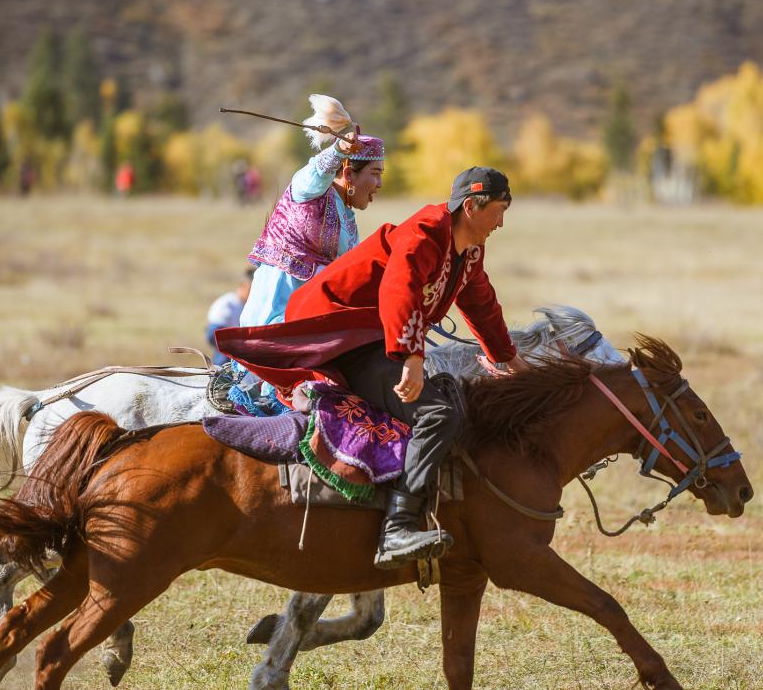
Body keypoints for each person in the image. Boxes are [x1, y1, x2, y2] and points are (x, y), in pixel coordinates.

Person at [218, 167, 529, 569]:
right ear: (471, 206)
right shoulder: (426, 232)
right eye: (499, 210)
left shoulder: (468, 249)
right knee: (437, 414)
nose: (502, 222)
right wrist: (412, 356)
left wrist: (510, 360)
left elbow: (480, 301)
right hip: (342, 333)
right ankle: (397, 528)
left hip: (372, 337)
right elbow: (400, 288)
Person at [235, 95, 386, 412]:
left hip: (307, 324)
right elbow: (313, 173)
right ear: (348, 173)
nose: (379, 183)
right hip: (276, 320)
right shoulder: (309, 190)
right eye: (374, 173)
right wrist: (338, 150)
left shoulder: (348, 216)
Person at [205, 268, 255, 366]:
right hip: (226, 354)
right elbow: (213, 333)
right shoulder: (227, 303)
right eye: (251, 289)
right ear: (243, 285)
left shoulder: (250, 306)